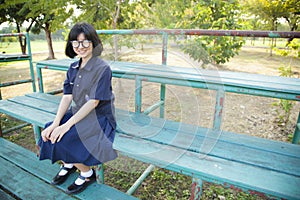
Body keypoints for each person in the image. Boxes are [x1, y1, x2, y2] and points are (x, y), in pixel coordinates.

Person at [38, 22, 118, 194]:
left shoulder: (102, 68)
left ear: (93, 43)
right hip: (80, 112)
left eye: (85, 42)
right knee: (49, 131)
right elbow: (67, 96)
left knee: (66, 136)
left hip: (99, 117)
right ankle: (69, 162)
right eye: (76, 42)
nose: (80, 46)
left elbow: (94, 102)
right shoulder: (73, 67)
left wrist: (65, 126)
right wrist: (56, 123)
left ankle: (87, 172)